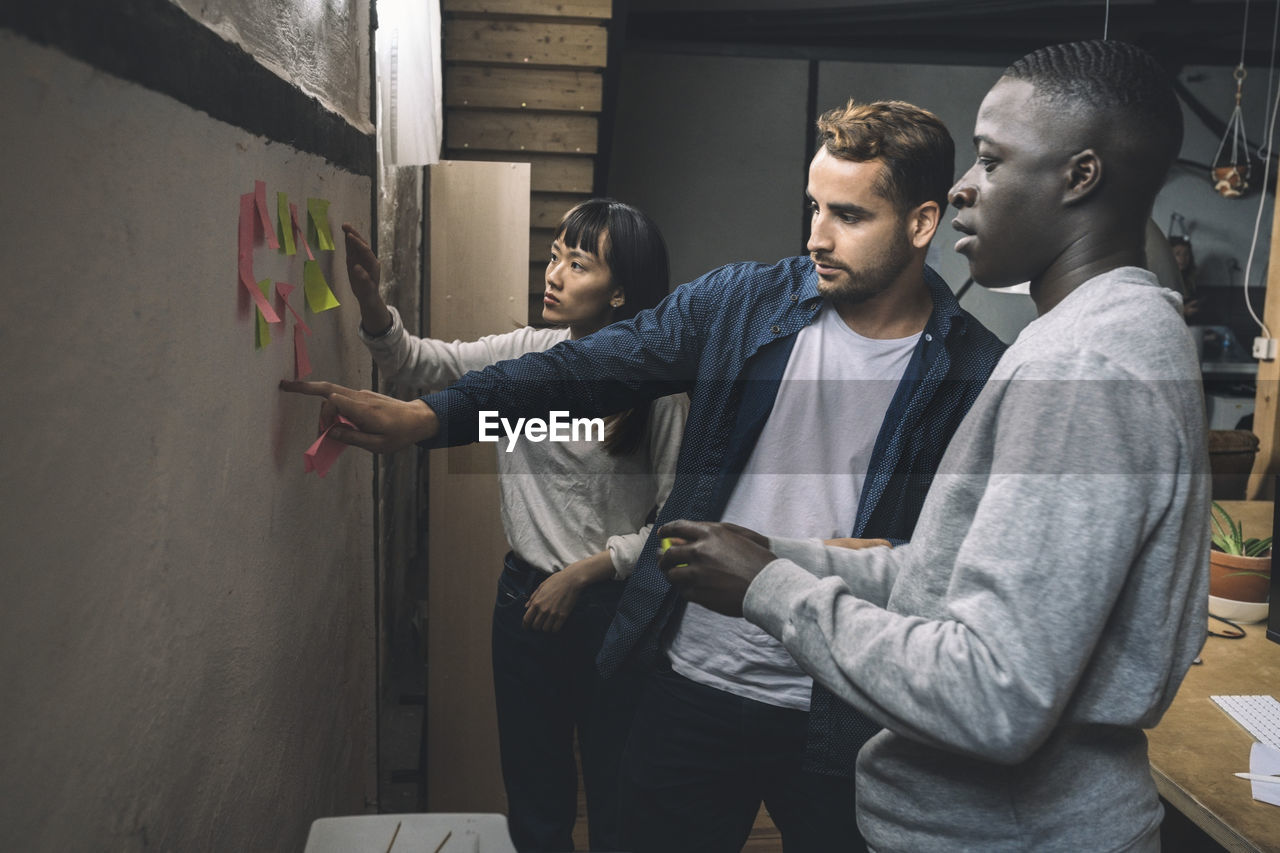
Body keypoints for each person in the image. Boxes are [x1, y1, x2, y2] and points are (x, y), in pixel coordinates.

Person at [282, 101, 1005, 852]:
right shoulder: (743, 304)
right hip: (691, 684)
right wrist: (436, 418)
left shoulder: (976, 373)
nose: (817, 236)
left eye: (849, 216)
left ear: (922, 224)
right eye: (814, 207)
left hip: (844, 704)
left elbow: (952, 564)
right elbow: (582, 365)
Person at [656, 40, 1209, 852]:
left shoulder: (1083, 367)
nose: (961, 187)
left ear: (1079, 176)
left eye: (990, 159)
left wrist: (769, 589)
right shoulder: (1106, 333)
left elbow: (992, 692)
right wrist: (784, 554)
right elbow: (951, 583)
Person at [330, 199, 688, 853]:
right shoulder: (529, 352)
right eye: (554, 256)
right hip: (525, 601)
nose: (553, 274)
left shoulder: (659, 390)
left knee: (617, 795)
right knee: (535, 794)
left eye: (577, 264)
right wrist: (372, 304)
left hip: (613, 607)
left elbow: (675, 525)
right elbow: (420, 367)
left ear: (620, 293)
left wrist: (586, 572)